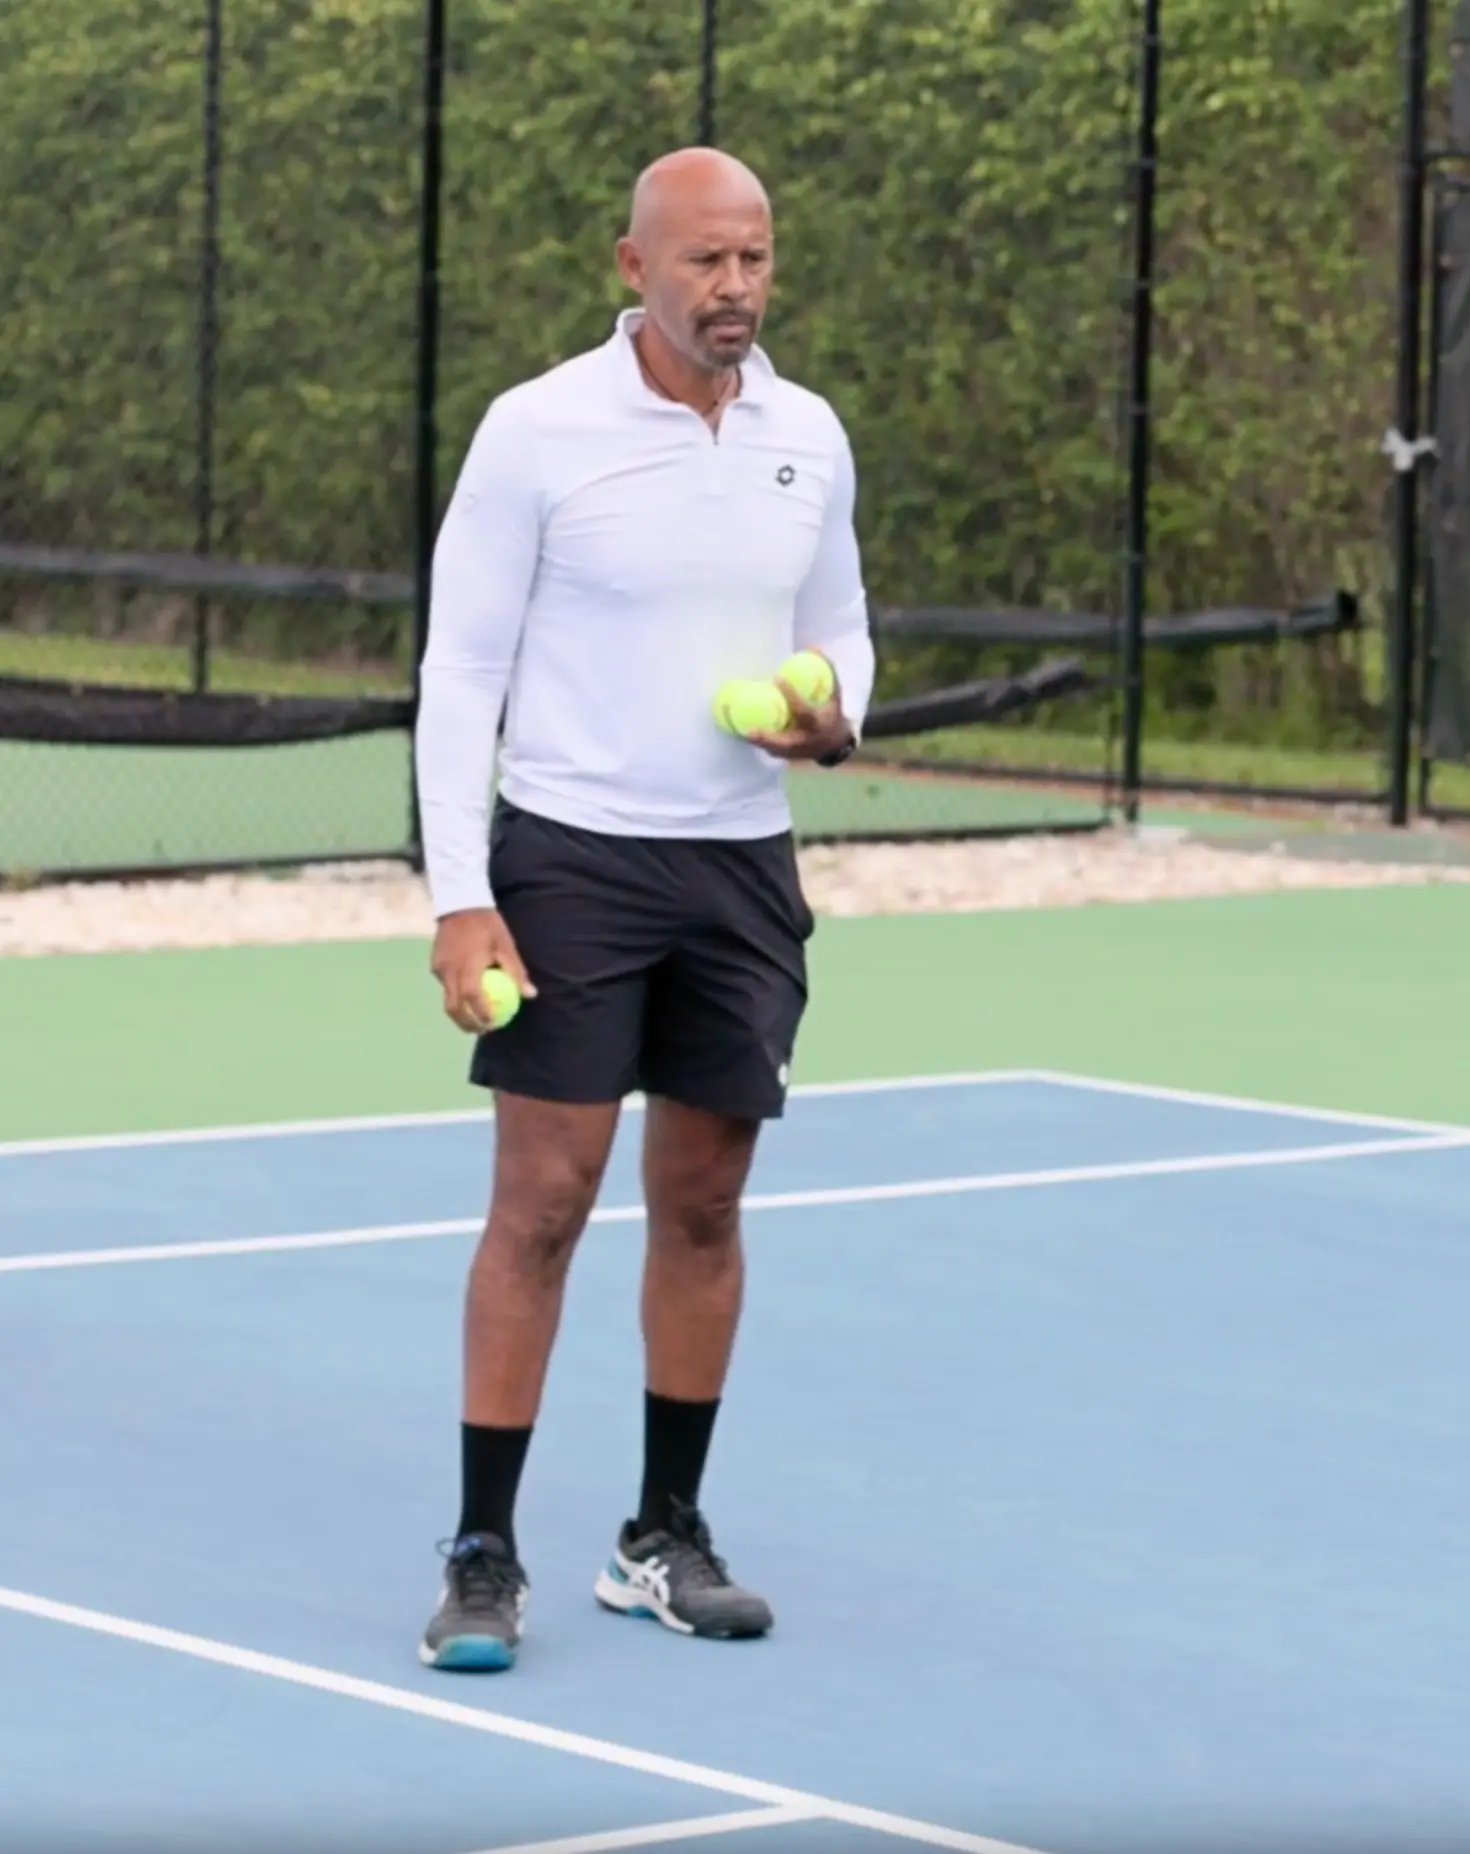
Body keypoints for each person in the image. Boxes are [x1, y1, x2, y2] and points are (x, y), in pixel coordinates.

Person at [407, 146, 876, 1672]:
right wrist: (462, 896)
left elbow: (842, 627)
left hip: (740, 869)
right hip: (572, 861)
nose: (735, 286)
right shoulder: (537, 428)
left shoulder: (810, 435)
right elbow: (461, 673)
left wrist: (832, 714)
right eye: (705, 260)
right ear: (635, 267)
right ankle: (483, 1550)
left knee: (706, 1203)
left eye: (756, 258)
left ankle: (663, 1533)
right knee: (543, 1203)